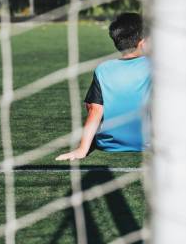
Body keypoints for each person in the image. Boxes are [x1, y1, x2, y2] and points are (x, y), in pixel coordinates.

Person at [56, 13, 151, 160]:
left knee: (92, 102)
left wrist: (82, 150)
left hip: (108, 144)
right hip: (149, 143)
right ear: (142, 42)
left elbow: (95, 110)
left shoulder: (103, 69)